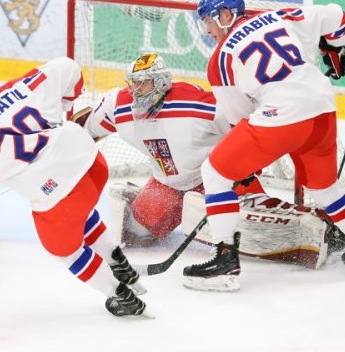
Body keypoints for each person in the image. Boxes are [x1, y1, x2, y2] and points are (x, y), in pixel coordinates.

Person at [185, 0, 345, 292]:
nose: (207, 31)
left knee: (214, 173)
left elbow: (241, 120)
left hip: (284, 117)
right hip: (322, 108)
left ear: (226, 15)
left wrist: (241, 168)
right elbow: (341, 19)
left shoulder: (220, 60)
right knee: (324, 187)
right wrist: (332, 47)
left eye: (208, 22)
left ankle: (225, 260)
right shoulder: (282, 16)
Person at [0, 57, 151, 317]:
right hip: (91, 164)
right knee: (79, 212)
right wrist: (63, 108)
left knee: (65, 250)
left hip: (58, 194)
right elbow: (69, 67)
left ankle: (120, 296)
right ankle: (118, 262)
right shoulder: (21, 86)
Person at [82, 52, 264, 246]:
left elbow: (245, 123)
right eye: (133, 83)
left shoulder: (194, 104)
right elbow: (84, 130)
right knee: (136, 234)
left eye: (144, 82)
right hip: (168, 184)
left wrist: (246, 162)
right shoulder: (118, 105)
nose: (136, 90)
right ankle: (139, 197)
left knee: (248, 229)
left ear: (161, 82)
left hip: (213, 178)